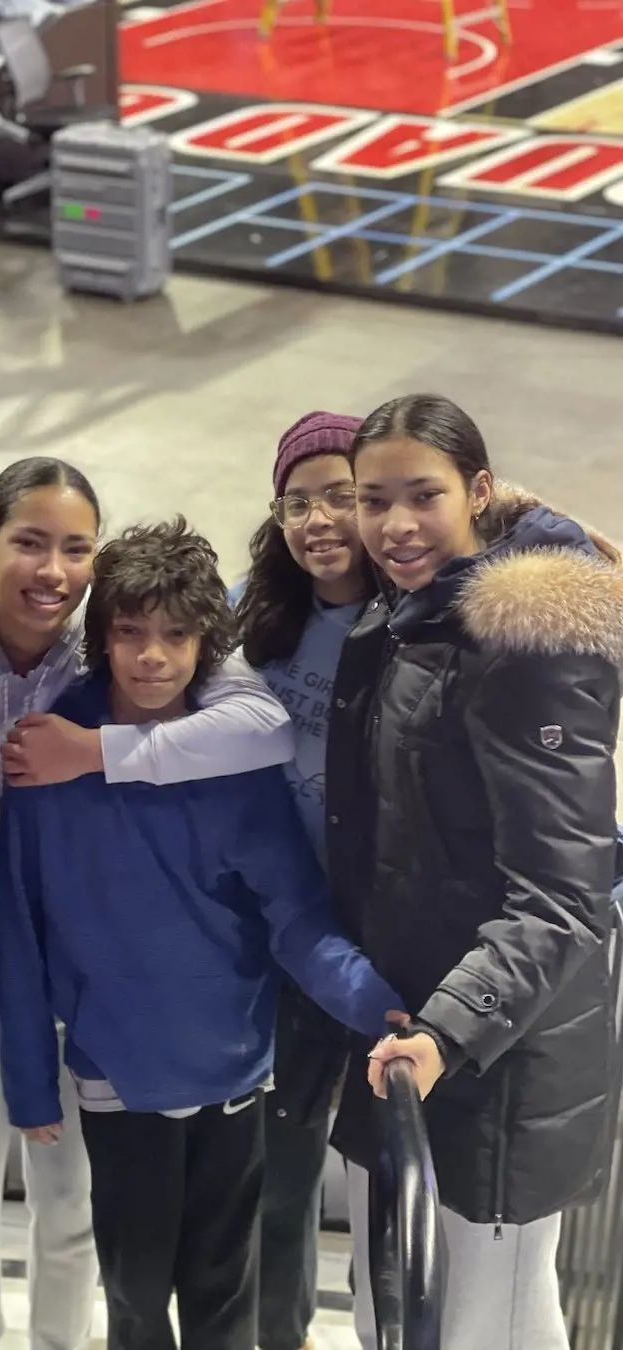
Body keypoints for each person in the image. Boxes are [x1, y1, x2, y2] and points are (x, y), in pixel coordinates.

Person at [0, 458, 299, 1350]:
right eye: (30, 543)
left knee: (75, 1212)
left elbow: (259, 722)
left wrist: (96, 751)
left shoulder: (101, 648)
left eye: (75, 547)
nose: (53, 569)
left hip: (79, 999)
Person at [0, 517, 402, 1350]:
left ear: (206, 645)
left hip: (235, 1070)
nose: (152, 657)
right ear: (102, 636)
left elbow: (296, 917)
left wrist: (380, 1006)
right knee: (135, 1293)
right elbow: (20, 925)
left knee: (224, 1296)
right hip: (118, 1072)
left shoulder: (237, 764)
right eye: (131, 634)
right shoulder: (45, 755)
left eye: (176, 637)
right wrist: (29, 1078)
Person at [327, 394, 623, 1349]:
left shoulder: (525, 647)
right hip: (419, 1043)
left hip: (496, 1067)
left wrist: (450, 1034)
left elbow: (564, 895)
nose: (395, 525)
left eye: (424, 495)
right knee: (406, 1314)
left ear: (480, 492)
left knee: (485, 1322)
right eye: (374, 500)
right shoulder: (420, 613)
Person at [233, 411, 374, 1350]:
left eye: (341, 495)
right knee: (274, 1193)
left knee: (388, 1201)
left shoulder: (422, 612)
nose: (319, 519)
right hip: (275, 948)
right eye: (298, 501)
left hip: (386, 953)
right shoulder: (254, 611)